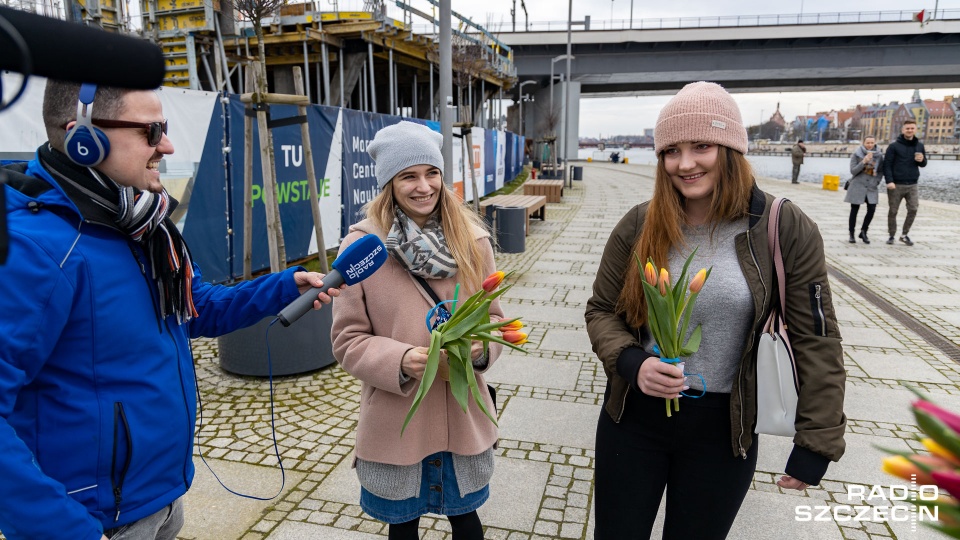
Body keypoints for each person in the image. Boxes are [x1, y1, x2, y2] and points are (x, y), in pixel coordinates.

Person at [0, 81, 342, 540]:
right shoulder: (34, 250)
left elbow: (194, 307)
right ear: (82, 138)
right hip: (96, 520)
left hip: (159, 497)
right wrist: (66, 530)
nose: (167, 143)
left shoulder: (142, 222)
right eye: (151, 130)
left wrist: (281, 287)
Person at [585, 81, 846, 539]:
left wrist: (816, 444)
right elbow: (602, 310)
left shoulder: (783, 226)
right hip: (633, 421)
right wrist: (633, 363)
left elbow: (817, 339)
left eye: (701, 146)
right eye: (671, 151)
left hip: (725, 432)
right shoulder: (640, 224)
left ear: (730, 148)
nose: (684, 164)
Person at [331, 121, 503, 540]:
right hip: (398, 416)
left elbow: (496, 319)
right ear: (389, 182)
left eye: (432, 173)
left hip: (461, 413)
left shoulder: (473, 241)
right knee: (402, 527)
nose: (423, 186)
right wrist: (401, 360)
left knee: (466, 521)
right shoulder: (361, 250)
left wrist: (479, 351)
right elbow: (347, 340)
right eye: (408, 175)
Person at [883, 120, 927, 246]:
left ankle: (904, 234)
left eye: (912, 128)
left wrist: (922, 160)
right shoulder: (894, 146)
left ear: (915, 130)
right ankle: (891, 235)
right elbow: (887, 165)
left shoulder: (919, 146)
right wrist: (889, 181)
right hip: (896, 184)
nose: (910, 130)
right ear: (903, 130)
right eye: (907, 128)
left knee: (913, 208)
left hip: (912, 183)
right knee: (893, 211)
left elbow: (923, 164)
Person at [844, 136, 884, 244]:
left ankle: (864, 231)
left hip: (871, 186)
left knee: (872, 209)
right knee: (854, 210)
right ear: (863, 143)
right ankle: (851, 234)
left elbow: (881, 171)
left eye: (872, 142)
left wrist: (877, 181)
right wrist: (864, 162)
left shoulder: (879, 155)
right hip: (858, 185)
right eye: (868, 142)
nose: (870, 145)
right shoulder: (857, 154)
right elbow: (853, 171)